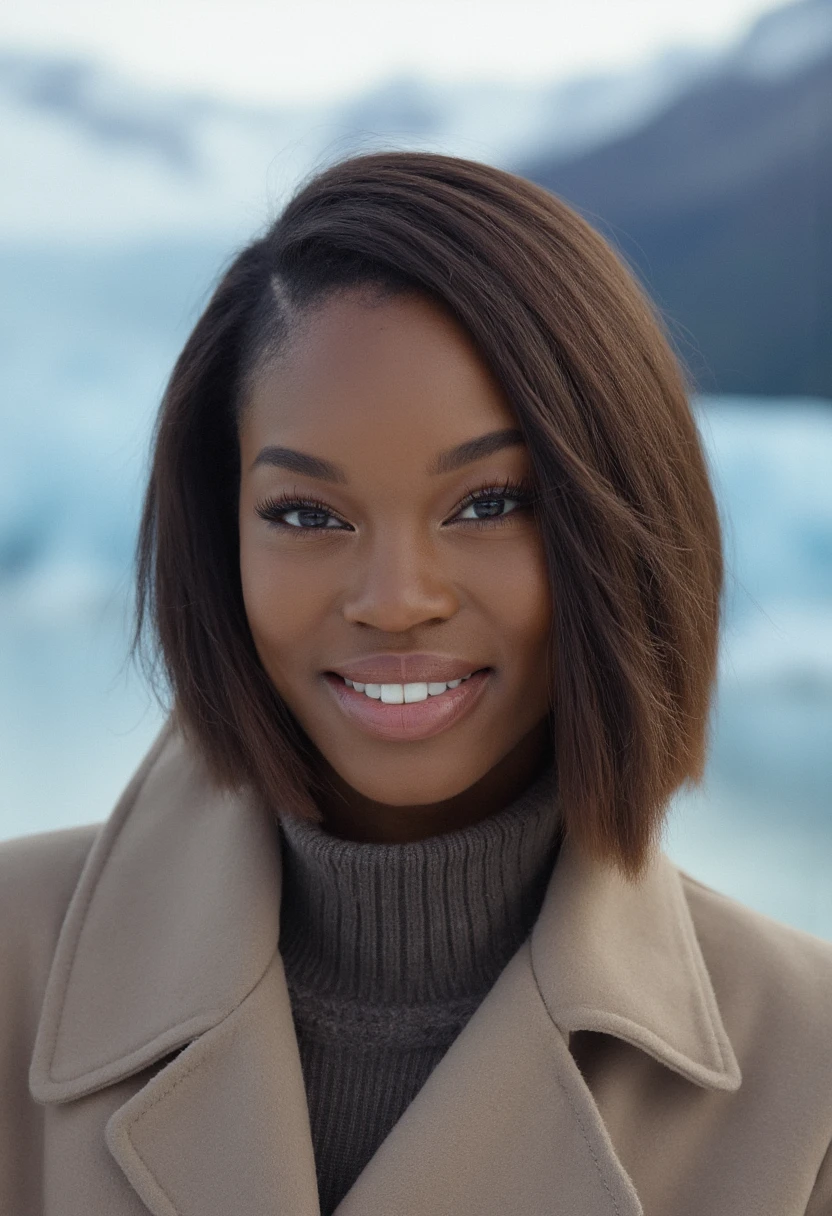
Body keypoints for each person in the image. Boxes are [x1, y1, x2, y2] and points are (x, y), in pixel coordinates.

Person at [1, 150, 830, 1216]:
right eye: (307, 514)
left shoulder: (806, 1080)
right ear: (221, 538)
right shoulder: (13, 967)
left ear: (623, 522)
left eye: (488, 503)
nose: (394, 599)